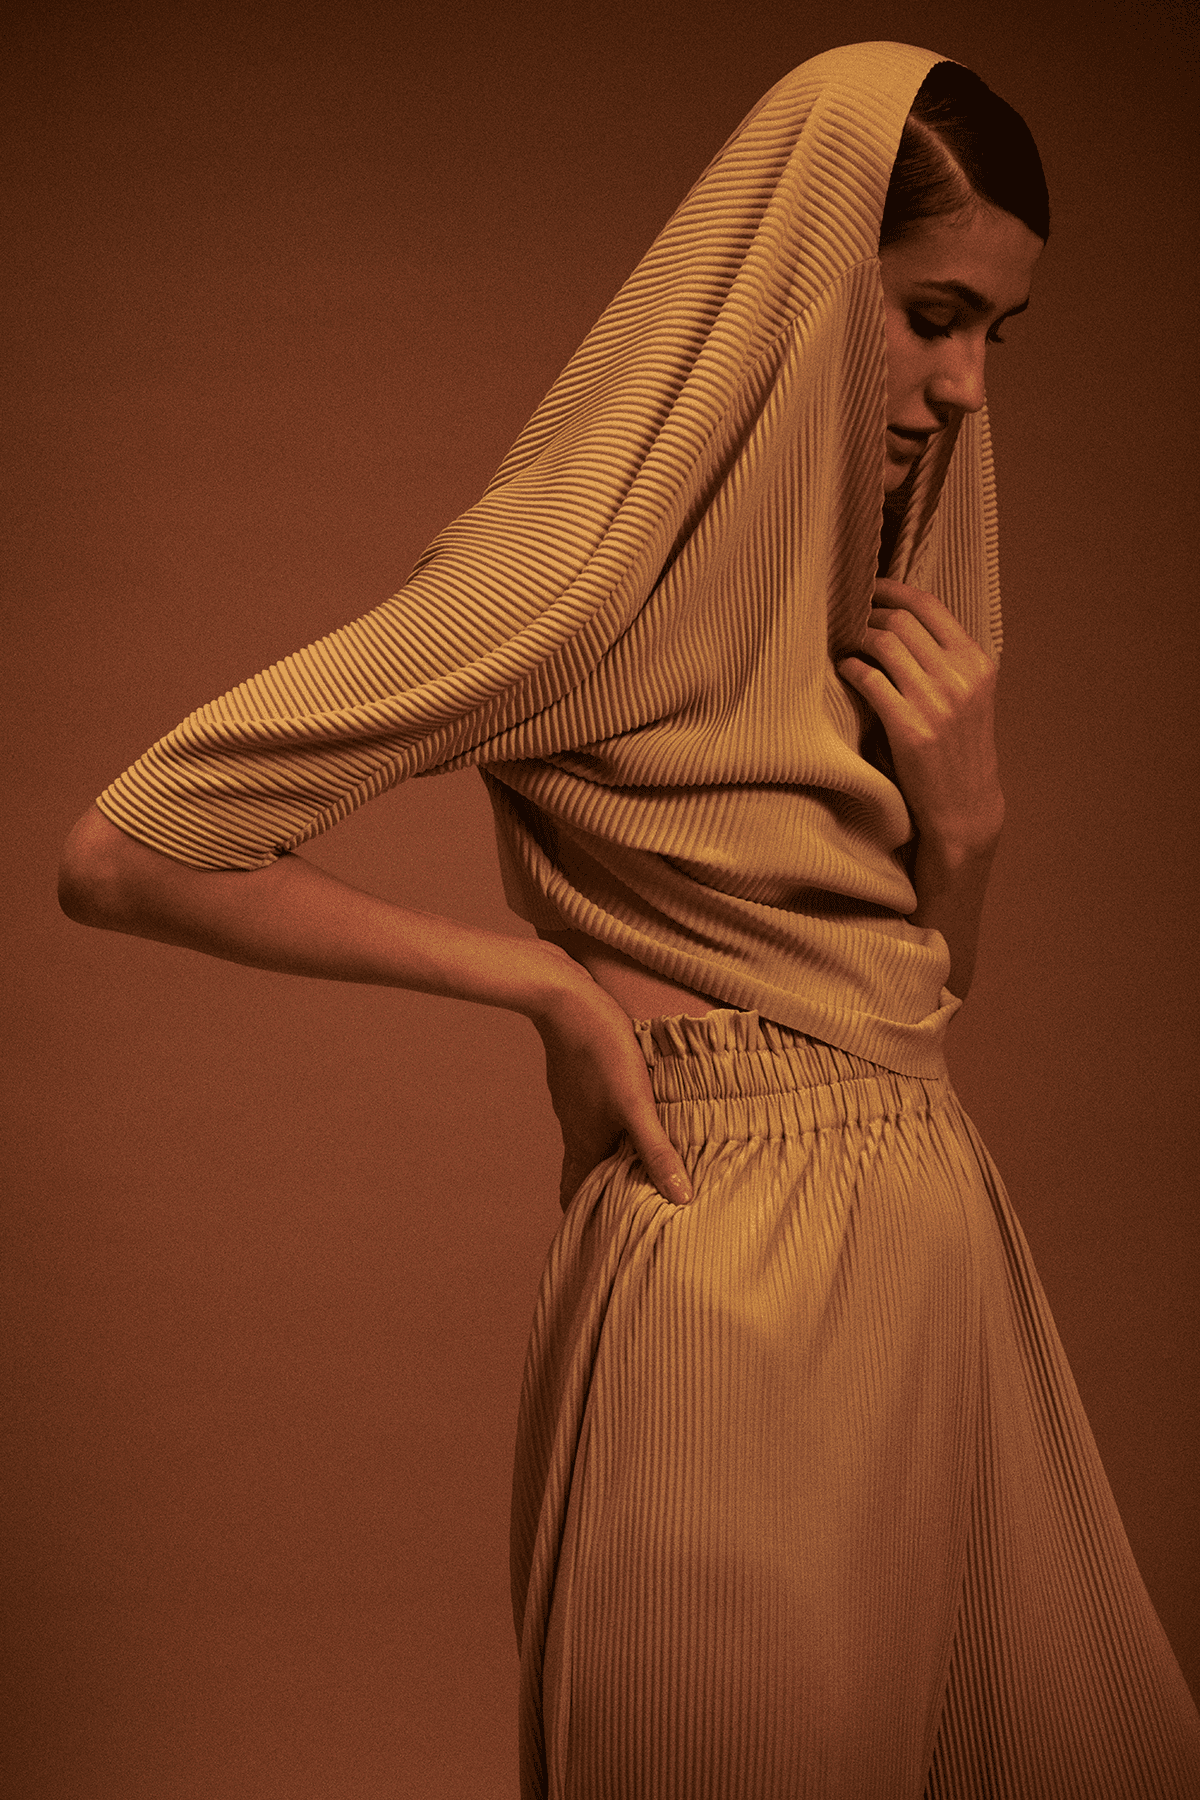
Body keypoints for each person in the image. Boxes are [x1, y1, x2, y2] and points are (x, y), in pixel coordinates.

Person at [58, 40, 1200, 1800]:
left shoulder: (859, 592)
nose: (967, 388)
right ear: (804, 273)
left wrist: (965, 835)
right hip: (729, 1277)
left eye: (997, 335)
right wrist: (539, 982)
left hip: (941, 1264)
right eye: (930, 315)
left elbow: (898, 1006)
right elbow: (129, 850)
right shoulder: (577, 571)